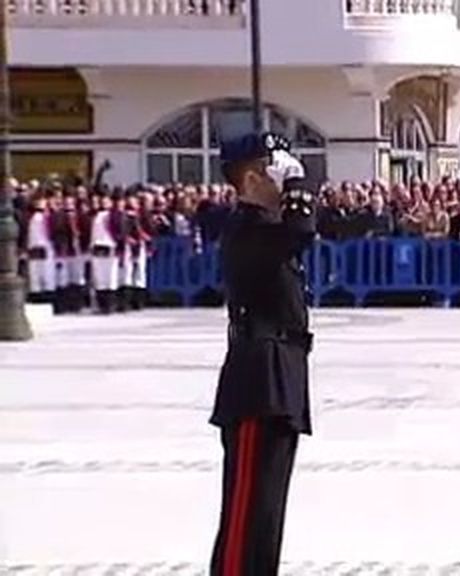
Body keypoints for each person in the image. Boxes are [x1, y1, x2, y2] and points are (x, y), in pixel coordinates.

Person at [209, 132, 317, 575]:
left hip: (282, 372)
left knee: (268, 510)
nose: (284, 176)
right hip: (258, 377)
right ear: (252, 179)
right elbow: (301, 231)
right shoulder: (245, 229)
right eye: (274, 168)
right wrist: (296, 187)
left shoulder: (265, 229)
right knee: (246, 513)